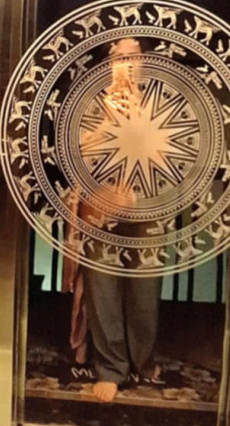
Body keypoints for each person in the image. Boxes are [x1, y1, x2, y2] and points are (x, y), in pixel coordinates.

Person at [62, 38, 163, 403]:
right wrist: (109, 119)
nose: (127, 63)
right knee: (102, 287)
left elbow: (174, 158)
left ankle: (142, 359)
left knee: (145, 289)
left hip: (147, 204)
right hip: (100, 205)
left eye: (134, 56)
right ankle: (110, 369)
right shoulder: (90, 103)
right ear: (108, 64)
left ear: (144, 63)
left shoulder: (159, 101)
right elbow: (76, 154)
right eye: (120, 56)